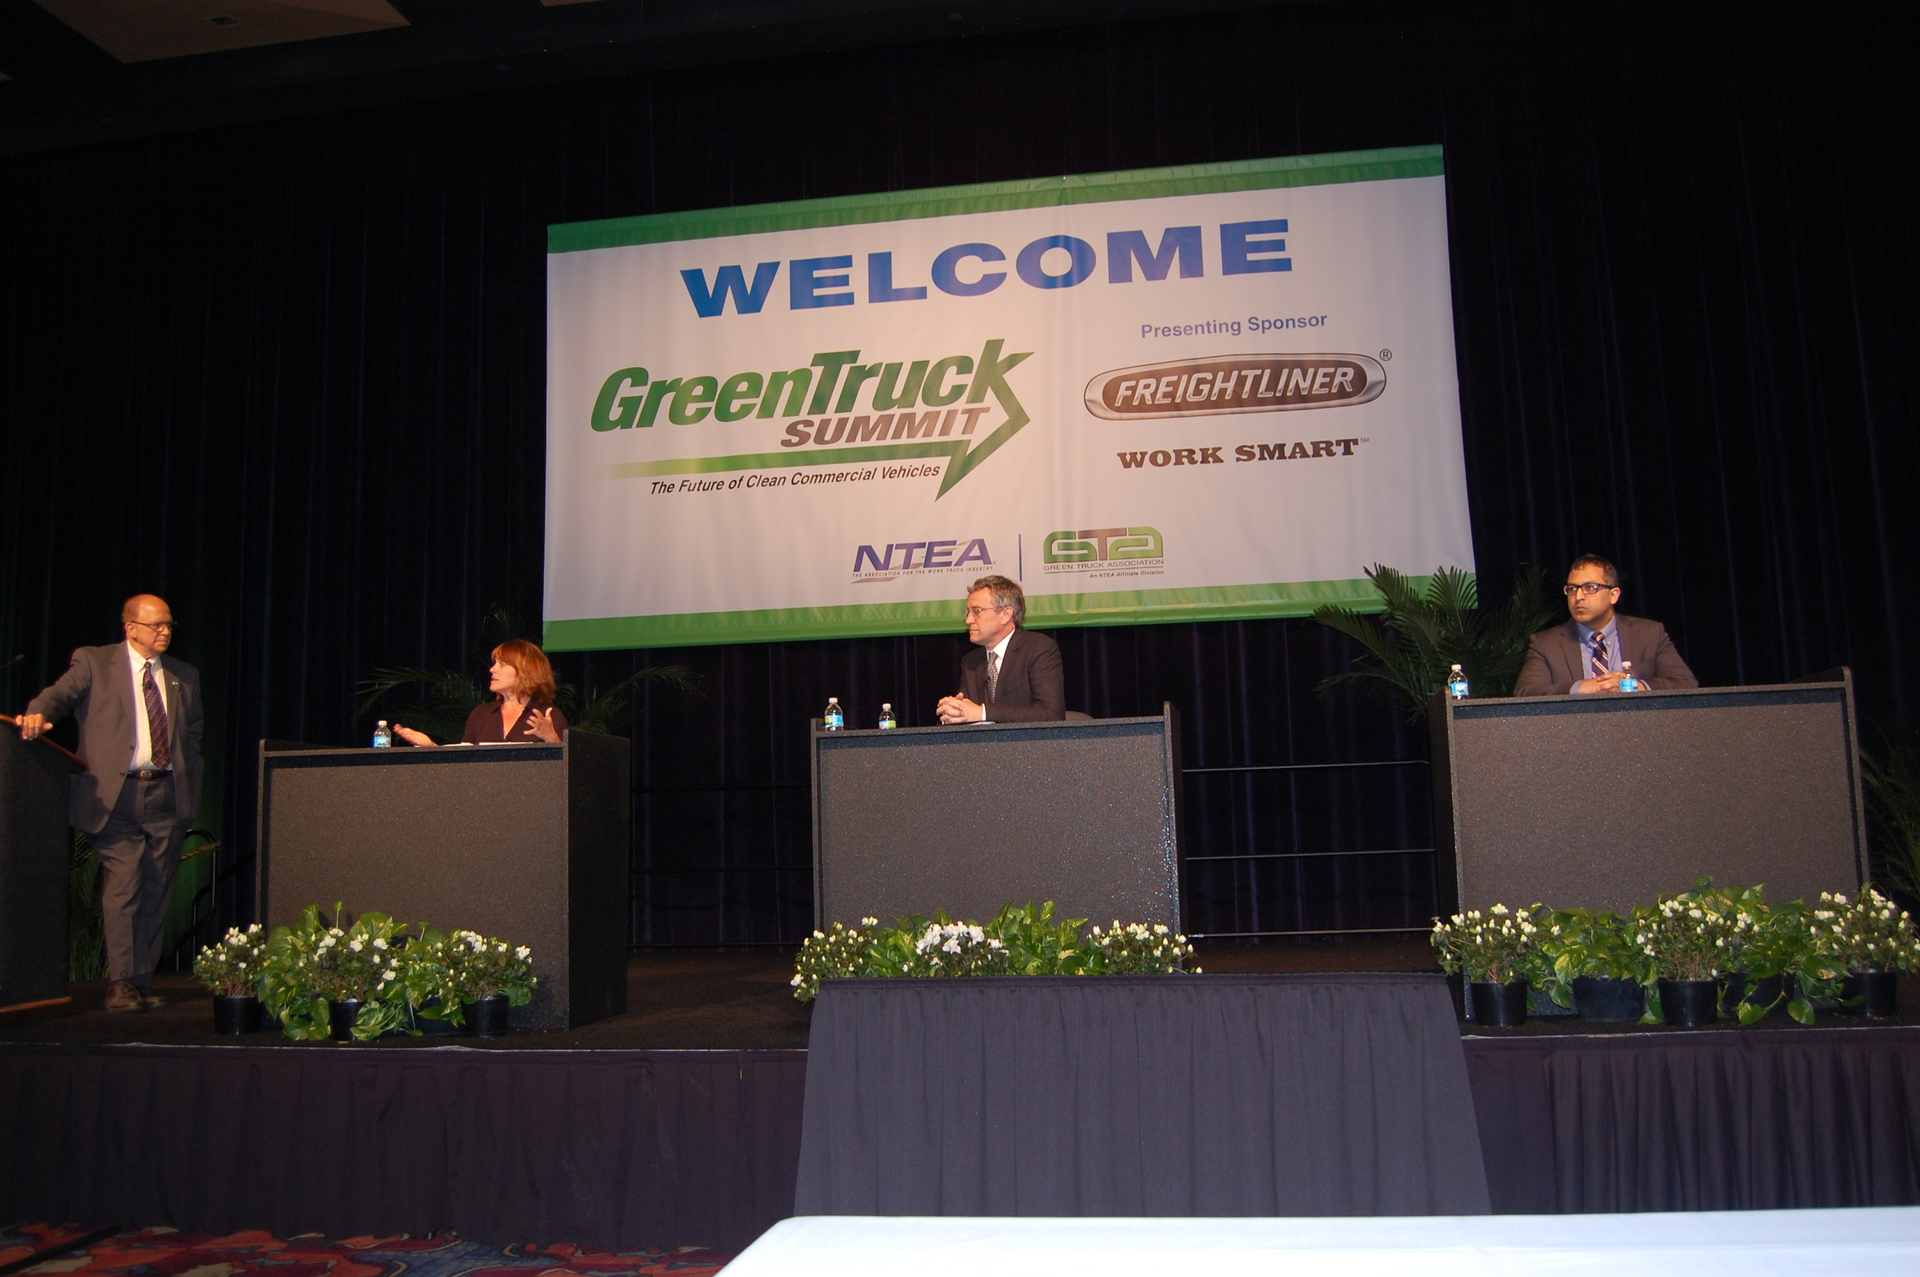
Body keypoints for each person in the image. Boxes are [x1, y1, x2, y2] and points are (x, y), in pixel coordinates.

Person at [17, 594, 205, 1013]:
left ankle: (140, 980)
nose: (164, 632)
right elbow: (59, 695)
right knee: (124, 886)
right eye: (156, 625)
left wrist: (190, 791)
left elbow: (192, 739)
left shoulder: (183, 675)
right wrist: (37, 713)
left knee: (158, 890)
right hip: (113, 796)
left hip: (166, 795)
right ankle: (119, 982)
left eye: (169, 625)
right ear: (130, 627)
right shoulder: (94, 662)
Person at [1513, 555, 1698, 696]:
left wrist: (1633, 686)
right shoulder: (1546, 643)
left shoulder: (1649, 634)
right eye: (1572, 589)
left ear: (1614, 595)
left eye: (1590, 588)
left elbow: (1685, 683)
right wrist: (1580, 687)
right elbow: (1526, 692)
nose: (1578, 597)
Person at [936, 575, 1066, 724]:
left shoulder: (1038, 649)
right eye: (968, 612)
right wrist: (953, 713)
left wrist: (983, 712)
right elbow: (969, 715)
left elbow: (1051, 714)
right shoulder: (971, 662)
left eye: (977, 611)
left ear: (1005, 615)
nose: (968, 620)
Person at [394, 638, 567, 745]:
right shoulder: (481, 715)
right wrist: (431, 747)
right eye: (494, 664)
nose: (492, 670)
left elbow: (567, 774)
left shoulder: (548, 715)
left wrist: (551, 737)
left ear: (525, 671)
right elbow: (465, 766)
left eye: (502, 664)